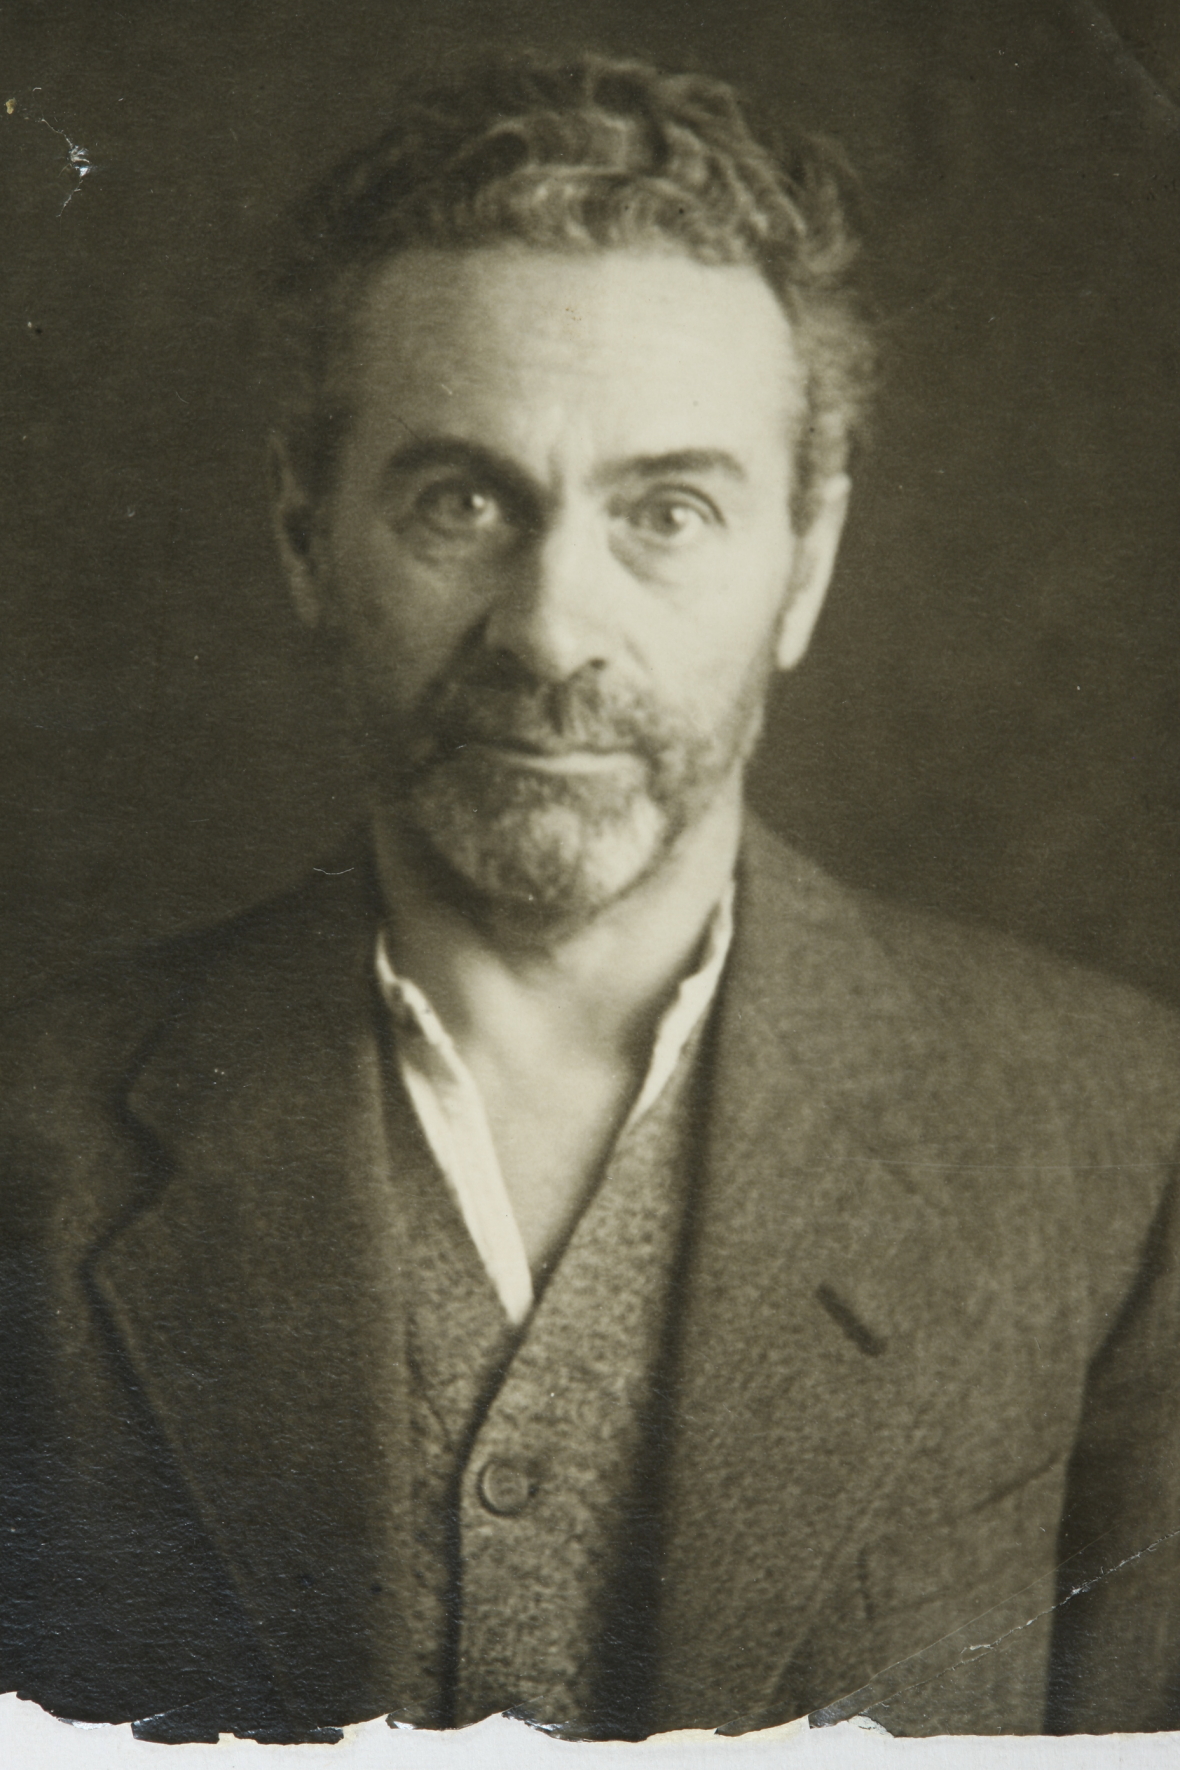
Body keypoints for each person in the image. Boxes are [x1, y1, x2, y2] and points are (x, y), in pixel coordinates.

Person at [4, 49, 1180, 1747]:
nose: (554, 628)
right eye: (462, 500)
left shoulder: (1126, 1147)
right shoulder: (29, 1144)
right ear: (304, 532)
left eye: (669, 510)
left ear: (807, 562)